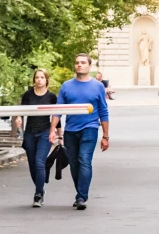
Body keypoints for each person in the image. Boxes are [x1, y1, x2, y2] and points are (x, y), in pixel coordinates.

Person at [51, 54, 110, 210]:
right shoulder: (66, 86)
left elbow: (104, 111)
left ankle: (81, 196)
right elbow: (58, 110)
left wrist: (105, 136)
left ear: (89, 66)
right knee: (74, 164)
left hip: (90, 128)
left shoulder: (98, 86)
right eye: (77, 63)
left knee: (84, 160)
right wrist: (53, 131)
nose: (79, 65)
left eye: (83, 63)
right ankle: (80, 193)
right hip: (70, 130)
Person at [16, 68, 56, 207]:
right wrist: (19, 118)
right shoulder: (28, 95)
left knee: (39, 162)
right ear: (34, 80)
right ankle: (41, 189)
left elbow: (57, 115)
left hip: (45, 131)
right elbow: (21, 110)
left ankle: (38, 194)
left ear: (46, 80)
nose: (39, 80)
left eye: (42, 77)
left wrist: (58, 133)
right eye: (37, 77)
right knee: (32, 164)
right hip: (30, 133)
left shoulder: (51, 97)